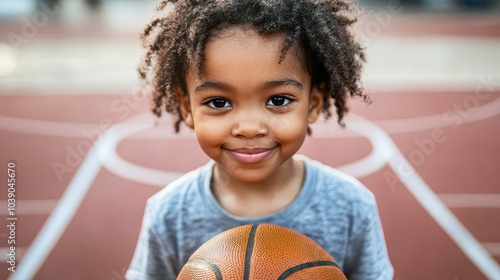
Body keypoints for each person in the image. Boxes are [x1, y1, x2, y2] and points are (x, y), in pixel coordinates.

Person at [127, 0, 393, 279]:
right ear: (187, 108)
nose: (249, 128)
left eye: (278, 100)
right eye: (218, 102)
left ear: (313, 104)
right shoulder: (169, 215)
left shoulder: (351, 207)